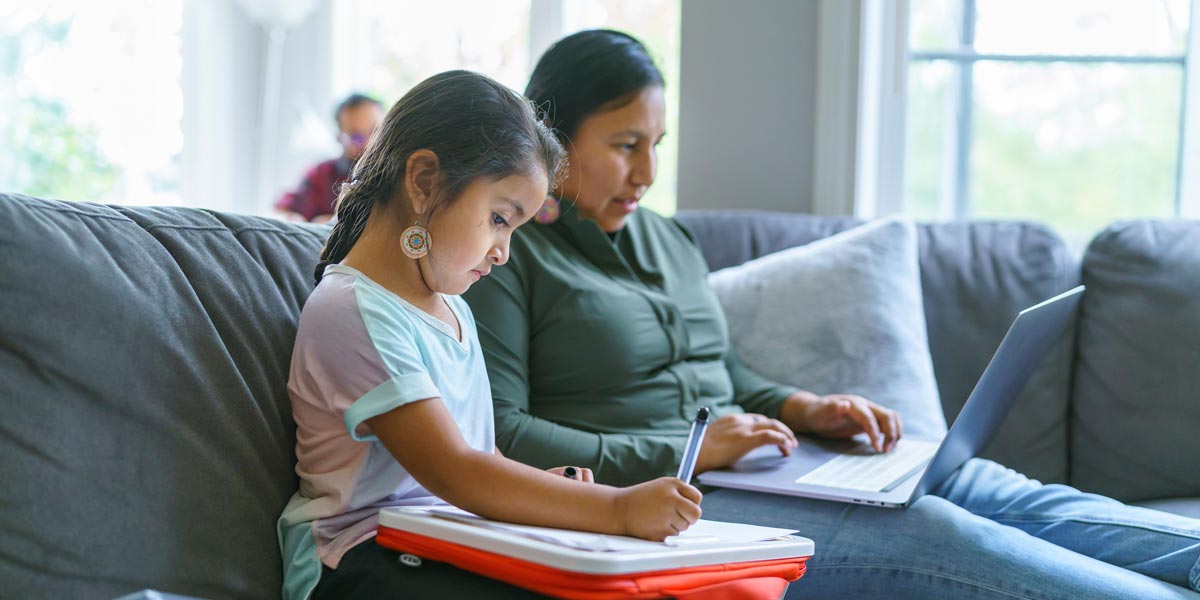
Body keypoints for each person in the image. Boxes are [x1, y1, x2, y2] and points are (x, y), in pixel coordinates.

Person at [462, 30, 1200, 598]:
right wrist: (691, 451)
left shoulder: (665, 237)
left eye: (656, 145)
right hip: (667, 506)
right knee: (932, 528)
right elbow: (503, 433)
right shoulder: (504, 255)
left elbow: (717, 370)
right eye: (625, 147)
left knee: (979, 485)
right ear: (550, 141)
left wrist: (805, 408)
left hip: (752, 474)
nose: (648, 175)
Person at [277, 70, 703, 600]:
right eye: (499, 218)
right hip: (356, 559)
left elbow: (480, 459)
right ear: (425, 182)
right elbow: (456, 471)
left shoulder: (453, 309)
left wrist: (549, 489)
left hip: (441, 538)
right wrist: (615, 509)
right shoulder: (352, 309)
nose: (503, 251)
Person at [275, 93, 384, 223]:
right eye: (357, 137)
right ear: (339, 137)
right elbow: (286, 212)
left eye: (376, 132)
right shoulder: (321, 175)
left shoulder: (397, 174)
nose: (369, 143)